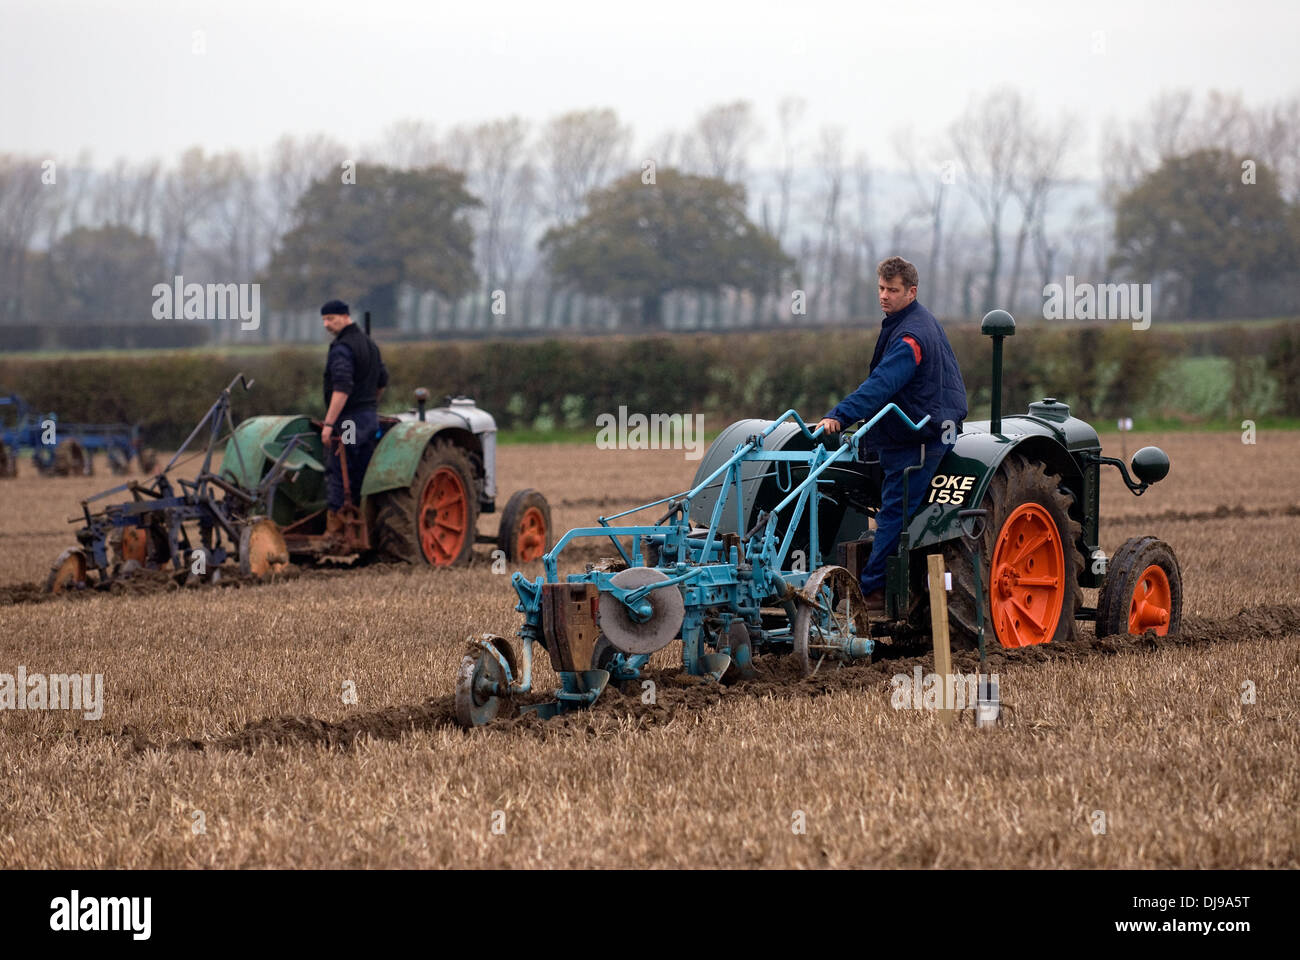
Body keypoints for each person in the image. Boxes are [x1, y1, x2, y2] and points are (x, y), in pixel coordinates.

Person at [816, 257, 968, 615]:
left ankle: (872, 593)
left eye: (892, 290)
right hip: (913, 430)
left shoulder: (911, 335)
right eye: (881, 288)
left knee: (893, 515)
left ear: (911, 292)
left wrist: (840, 414)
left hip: (919, 437)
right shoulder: (908, 322)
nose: (884, 296)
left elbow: (883, 384)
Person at [320, 299, 388, 535]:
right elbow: (382, 382)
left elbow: (342, 387)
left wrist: (329, 423)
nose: (326, 325)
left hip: (348, 420)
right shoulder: (370, 345)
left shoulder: (343, 348)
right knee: (363, 470)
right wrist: (369, 404)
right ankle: (365, 522)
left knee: (341, 468)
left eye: (331, 319)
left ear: (345, 316)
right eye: (324, 320)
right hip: (368, 417)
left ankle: (338, 528)